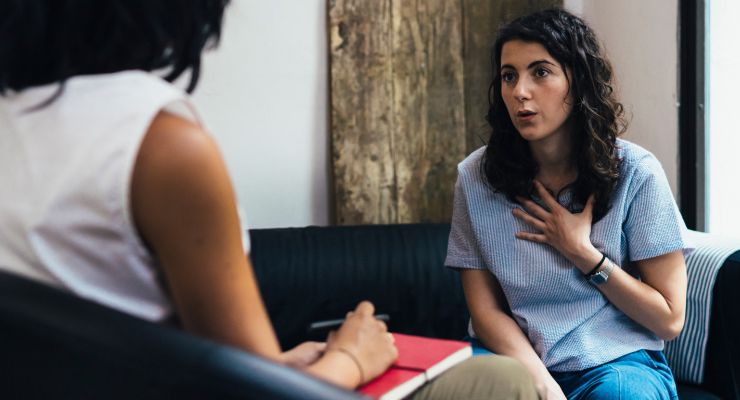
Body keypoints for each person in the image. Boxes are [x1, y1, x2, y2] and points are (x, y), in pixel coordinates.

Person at [0, 1, 538, 398]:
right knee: (503, 382)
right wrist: (353, 356)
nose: (520, 93)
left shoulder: (17, 119)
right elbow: (253, 393)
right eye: (510, 76)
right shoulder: (160, 144)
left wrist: (278, 361)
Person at [445, 8, 692, 400]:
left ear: (577, 82)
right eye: (509, 76)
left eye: (540, 72)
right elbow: (486, 312)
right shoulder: (475, 177)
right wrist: (540, 384)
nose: (520, 92)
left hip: (615, 361)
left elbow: (669, 319)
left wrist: (583, 254)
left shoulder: (637, 173)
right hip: (511, 359)